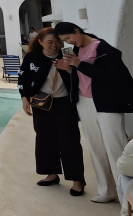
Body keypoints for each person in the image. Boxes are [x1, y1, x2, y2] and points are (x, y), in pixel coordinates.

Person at [54, 22, 133, 204]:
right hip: (84, 102)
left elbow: (111, 77)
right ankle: (107, 190)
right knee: (96, 147)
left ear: (77, 30)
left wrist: (79, 64)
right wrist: (69, 68)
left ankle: (128, 196)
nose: (69, 42)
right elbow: (82, 76)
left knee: (115, 146)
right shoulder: (77, 50)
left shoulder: (103, 49)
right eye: (65, 40)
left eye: (69, 37)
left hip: (106, 102)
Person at [18, 28, 86, 196]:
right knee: (44, 138)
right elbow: (23, 78)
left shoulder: (67, 55)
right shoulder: (32, 57)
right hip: (41, 103)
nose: (54, 45)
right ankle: (52, 174)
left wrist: (69, 68)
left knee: (70, 140)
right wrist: (24, 98)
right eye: (50, 42)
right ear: (40, 42)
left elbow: (81, 78)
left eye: (57, 42)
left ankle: (77, 180)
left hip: (65, 103)